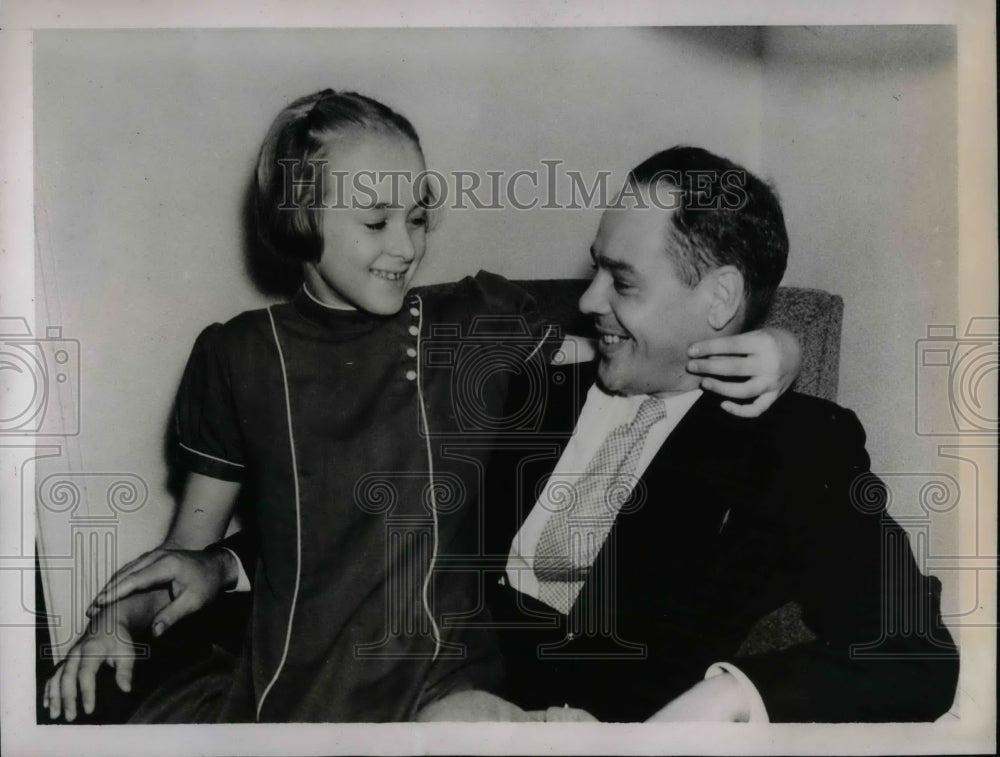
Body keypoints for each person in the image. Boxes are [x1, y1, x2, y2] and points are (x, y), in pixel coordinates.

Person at [43, 94, 802, 723]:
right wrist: (113, 620)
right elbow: (199, 547)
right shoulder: (237, 355)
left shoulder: (471, 321)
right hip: (299, 678)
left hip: (455, 685)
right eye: (375, 222)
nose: (405, 246)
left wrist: (781, 342)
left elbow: (619, 335)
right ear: (300, 217)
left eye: (419, 215)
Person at [471, 146, 960, 722]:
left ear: (721, 298)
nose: (586, 299)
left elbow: (915, 654)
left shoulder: (793, 446)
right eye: (596, 266)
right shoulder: (526, 387)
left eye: (622, 283)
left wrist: (729, 697)